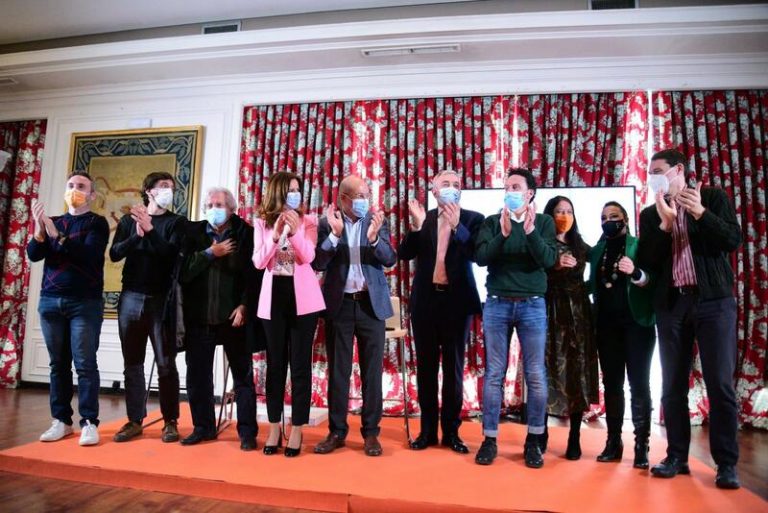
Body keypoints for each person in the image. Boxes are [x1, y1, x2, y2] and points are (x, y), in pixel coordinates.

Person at [637, 148, 742, 489]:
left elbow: (732, 239)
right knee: (672, 384)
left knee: (720, 384)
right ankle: (676, 456)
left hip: (714, 302)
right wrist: (666, 226)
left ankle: (726, 464)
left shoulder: (711, 197)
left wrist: (700, 214)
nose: (653, 177)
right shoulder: (650, 213)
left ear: (678, 169)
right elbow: (648, 262)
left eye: (658, 170)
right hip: (672, 305)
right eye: (650, 172)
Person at [474, 168, 557, 468]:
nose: (510, 191)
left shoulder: (544, 222)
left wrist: (531, 233)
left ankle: (534, 440)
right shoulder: (493, 221)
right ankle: (489, 439)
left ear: (529, 193)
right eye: (507, 187)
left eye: (516, 187)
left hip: (532, 305)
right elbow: (482, 257)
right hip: (497, 304)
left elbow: (549, 260)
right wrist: (504, 235)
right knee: (495, 373)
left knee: (535, 374)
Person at [397, 170, 484, 454]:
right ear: (434, 190)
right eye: (445, 184)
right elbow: (404, 253)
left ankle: (451, 432)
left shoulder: (473, 219)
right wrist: (416, 226)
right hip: (425, 302)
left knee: (453, 369)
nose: (451, 188)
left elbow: (477, 254)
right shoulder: (425, 218)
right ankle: (427, 431)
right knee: (426, 368)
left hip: (457, 303)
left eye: (456, 184)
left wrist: (458, 226)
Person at [312, 175, 397, 457]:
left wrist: (374, 239)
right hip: (340, 306)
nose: (365, 200)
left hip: (370, 306)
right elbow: (318, 262)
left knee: (372, 372)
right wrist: (335, 236)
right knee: (339, 371)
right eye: (359, 196)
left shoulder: (376, 221)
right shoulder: (327, 223)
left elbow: (390, 259)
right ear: (344, 199)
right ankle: (337, 431)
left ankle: (371, 433)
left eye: (367, 195)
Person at [28, 171, 109, 446]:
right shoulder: (54, 221)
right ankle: (61, 421)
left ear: (92, 195)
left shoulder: (97, 223)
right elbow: (34, 255)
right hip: (50, 301)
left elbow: (89, 256)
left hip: (84, 303)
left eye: (81, 186)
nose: (75, 190)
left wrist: (56, 235)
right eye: (71, 185)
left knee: (85, 363)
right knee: (57, 364)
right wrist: (40, 231)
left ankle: (89, 422)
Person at [179, 187, 258, 451]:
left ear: (232, 209)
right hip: (199, 317)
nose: (215, 209)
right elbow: (183, 272)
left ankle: (247, 432)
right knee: (198, 377)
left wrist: (245, 305)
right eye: (211, 204)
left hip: (234, 318)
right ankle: (203, 428)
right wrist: (211, 253)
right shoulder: (193, 233)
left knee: (243, 378)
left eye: (220, 204)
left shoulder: (245, 234)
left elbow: (253, 275)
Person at [108, 171, 185, 443]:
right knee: (132, 363)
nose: (168, 191)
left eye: (171, 187)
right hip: (130, 297)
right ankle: (134, 420)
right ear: (149, 190)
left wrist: (150, 231)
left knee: (166, 363)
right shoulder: (129, 220)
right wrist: (137, 235)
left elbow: (171, 256)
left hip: (161, 299)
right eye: (163, 186)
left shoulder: (176, 223)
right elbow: (114, 254)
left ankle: (170, 421)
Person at [253, 172, 325, 457]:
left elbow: (309, 257)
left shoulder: (309, 221)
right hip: (273, 299)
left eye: (297, 190)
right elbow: (259, 261)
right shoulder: (261, 223)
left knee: (300, 366)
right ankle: (273, 427)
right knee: (275, 366)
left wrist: (294, 232)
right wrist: (275, 235)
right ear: (278, 193)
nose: (295, 195)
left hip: (303, 300)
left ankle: (297, 428)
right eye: (290, 190)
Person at [588, 201, 655, 468]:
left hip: (637, 324)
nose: (608, 221)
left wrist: (636, 272)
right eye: (604, 217)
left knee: (639, 384)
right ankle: (613, 442)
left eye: (613, 216)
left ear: (625, 219)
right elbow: (592, 284)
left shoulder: (639, 245)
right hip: (606, 326)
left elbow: (653, 280)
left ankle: (641, 445)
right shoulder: (597, 251)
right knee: (612, 385)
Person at [542, 195, 598, 461]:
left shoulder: (579, 244)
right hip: (548, 311)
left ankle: (574, 436)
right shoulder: (542, 242)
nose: (564, 216)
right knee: (544, 370)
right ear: (549, 215)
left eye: (568, 211)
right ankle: (539, 433)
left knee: (577, 371)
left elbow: (599, 261)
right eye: (559, 211)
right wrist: (554, 265)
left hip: (578, 315)